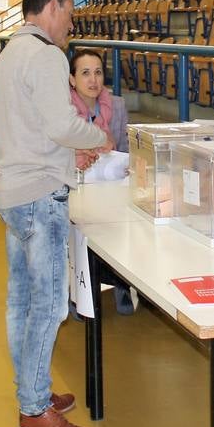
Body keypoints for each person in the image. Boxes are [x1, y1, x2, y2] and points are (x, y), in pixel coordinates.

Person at [0, 0, 110, 427]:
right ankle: (35, 409)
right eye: (70, 12)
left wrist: (65, 155)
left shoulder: (8, 55)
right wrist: (99, 139)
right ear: (53, 7)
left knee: (20, 300)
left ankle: (31, 390)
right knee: (49, 304)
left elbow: (32, 130)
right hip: (40, 197)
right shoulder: (45, 54)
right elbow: (60, 124)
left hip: (15, 191)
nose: (72, 23)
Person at [68, 47, 136, 315]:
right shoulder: (64, 110)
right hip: (76, 185)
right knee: (75, 230)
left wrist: (129, 165)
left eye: (97, 73)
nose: (93, 80)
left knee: (124, 227)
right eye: (85, 73)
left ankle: (121, 283)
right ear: (72, 79)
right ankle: (76, 292)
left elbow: (125, 147)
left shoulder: (116, 105)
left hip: (111, 186)